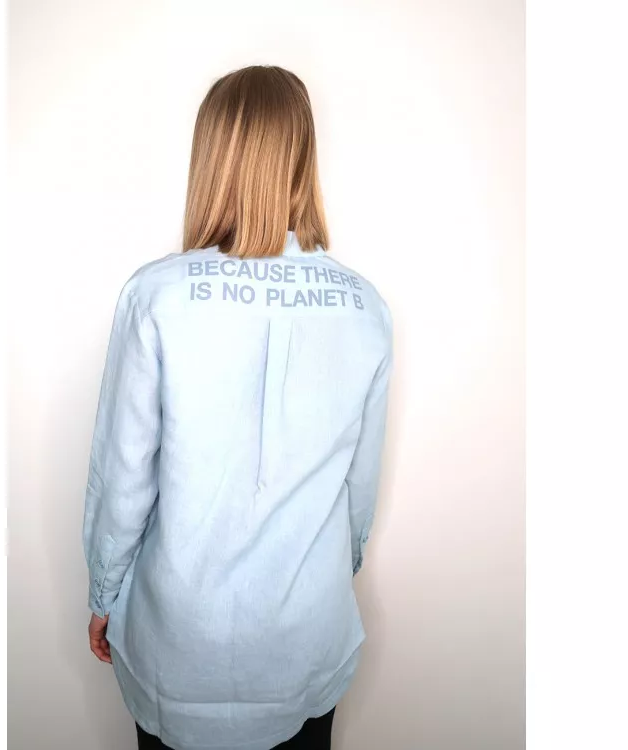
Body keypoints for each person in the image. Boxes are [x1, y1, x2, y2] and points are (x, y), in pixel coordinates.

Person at [82, 65, 392, 750]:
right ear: (302, 159)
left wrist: (104, 593)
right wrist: (327, 577)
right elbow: (358, 491)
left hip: (178, 641)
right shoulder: (365, 308)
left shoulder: (155, 297)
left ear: (213, 158)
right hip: (306, 634)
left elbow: (123, 478)